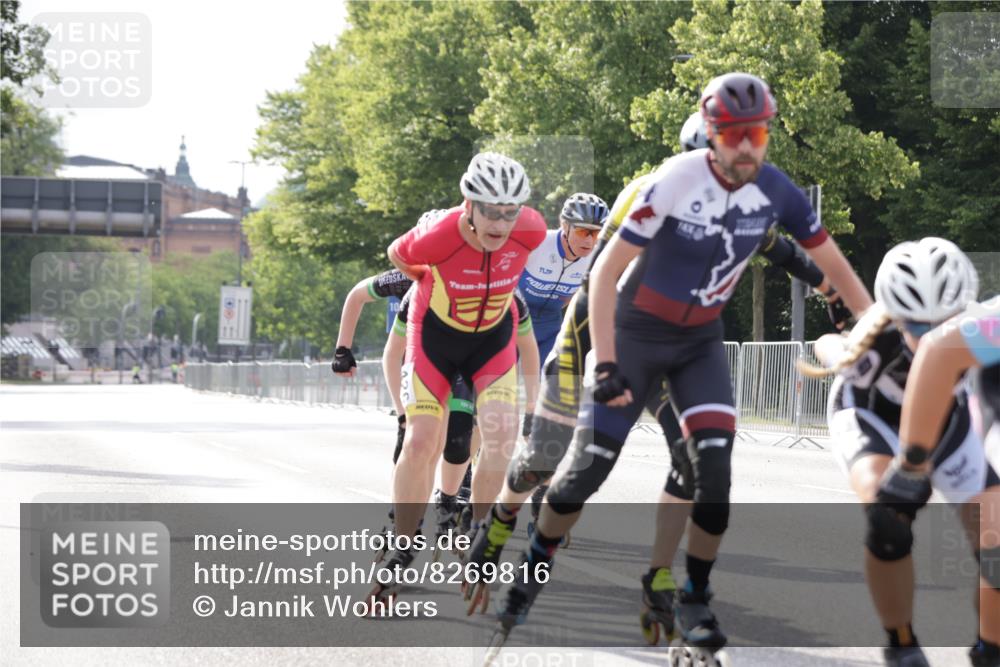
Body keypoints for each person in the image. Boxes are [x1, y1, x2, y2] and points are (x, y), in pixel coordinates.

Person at [487, 73, 873, 657]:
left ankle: (670, 580)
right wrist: (607, 362)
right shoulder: (656, 188)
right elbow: (603, 277)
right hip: (602, 332)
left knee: (701, 467)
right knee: (552, 461)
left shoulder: (753, 192)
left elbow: (788, 248)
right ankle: (500, 526)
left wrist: (847, 305)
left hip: (688, 347)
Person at [801, 238, 998, 667]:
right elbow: (825, 343)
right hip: (873, 420)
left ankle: (990, 649)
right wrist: (840, 351)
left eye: (942, 323)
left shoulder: (981, 329)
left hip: (947, 426)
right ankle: (901, 643)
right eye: (918, 327)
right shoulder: (878, 338)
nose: (931, 336)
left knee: (996, 543)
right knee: (888, 520)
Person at [366, 152, 546, 609]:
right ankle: (404, 545)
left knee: (502, 438)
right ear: (469, 203)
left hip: (491, 342)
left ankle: (482, 539)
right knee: (422, 439)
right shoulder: (441, 233)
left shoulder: (533, 229)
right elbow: (397, 253)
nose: (501, 223)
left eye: (510, 212)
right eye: (490, 210)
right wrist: (428, 279)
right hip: (436, 340)